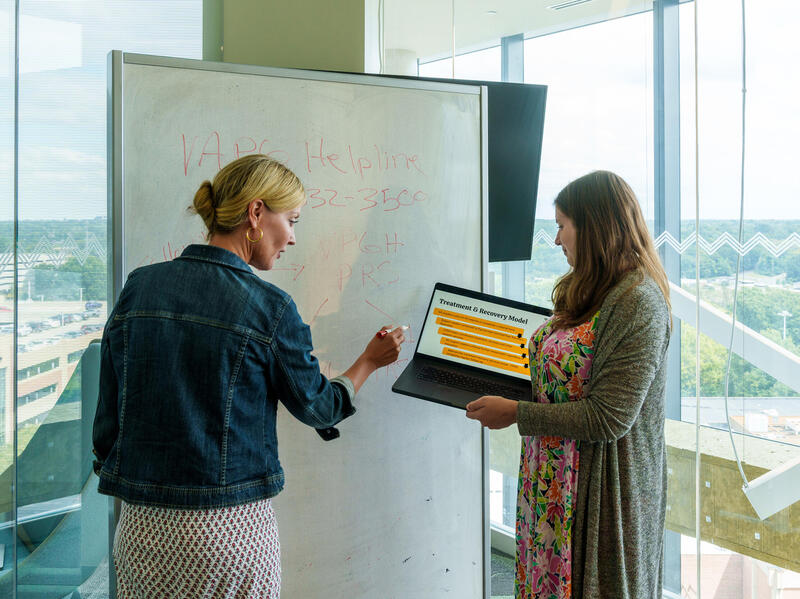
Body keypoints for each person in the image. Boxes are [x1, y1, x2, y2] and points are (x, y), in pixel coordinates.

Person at [92, 154, 405, 598]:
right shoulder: (270, 308)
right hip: (228, 531)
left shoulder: (139, 287)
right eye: (292, 220)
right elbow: (318, 408)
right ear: (256, 212)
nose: (293, 237)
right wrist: (369, 362)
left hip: (143, 530)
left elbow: (109, 416)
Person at [466, 170, 671, 599]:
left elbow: (608, 417)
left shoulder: (639, 300)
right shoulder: (593, 288)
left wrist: (516, 412)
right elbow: (564, 374)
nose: (556, 240)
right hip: (552, 481)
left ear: (594, 226)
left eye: (561, 226)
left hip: (596, 492)